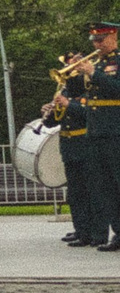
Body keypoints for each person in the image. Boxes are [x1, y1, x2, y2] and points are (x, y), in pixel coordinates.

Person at [48, 50, 105, 247]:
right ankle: (81, 230)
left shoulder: (90, 90)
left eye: (73, 67)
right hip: (69, 147)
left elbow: (88, 113)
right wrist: (48, 113)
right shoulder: (64, 92)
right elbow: (51, 124)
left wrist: (68, 104)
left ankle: (98, 234)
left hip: (86, 145)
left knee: (92, 193)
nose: (70, 72)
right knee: (75, 193)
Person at [80, 21, 120, 252]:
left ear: (113, 37)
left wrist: (93, 73)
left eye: (101, 39)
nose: (97, 44)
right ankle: (118, 233)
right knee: (106, 187)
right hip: (96, 132)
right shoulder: (98, 63)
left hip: (115, 130)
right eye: (94, 40)